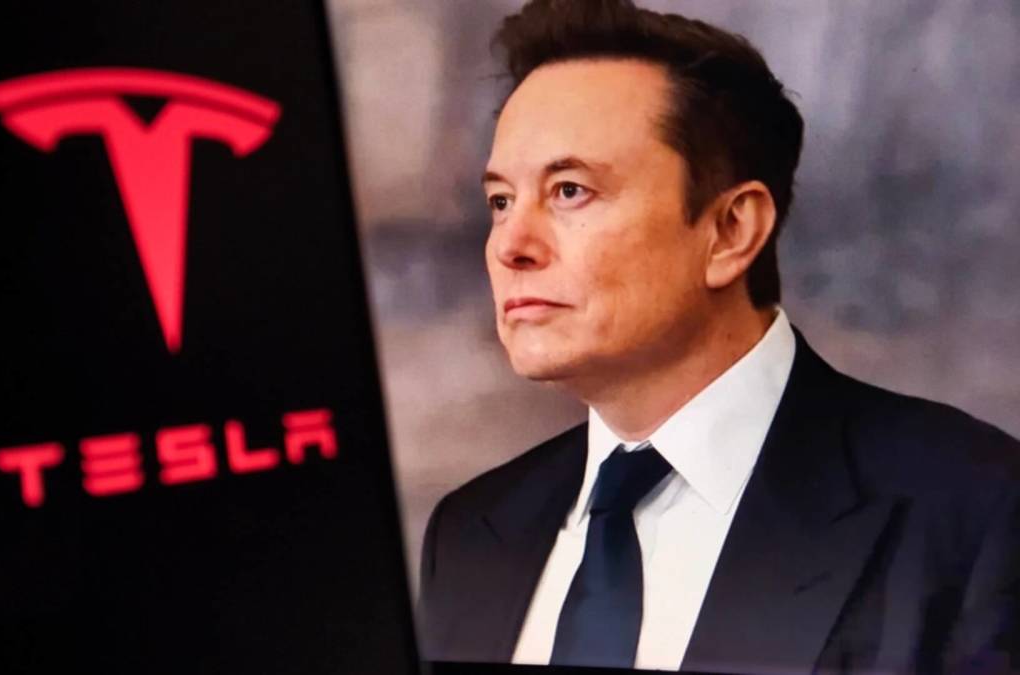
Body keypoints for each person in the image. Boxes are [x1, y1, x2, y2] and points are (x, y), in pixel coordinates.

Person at [416, 1, 1019, 672]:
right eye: (501, 201)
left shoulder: (977, 508)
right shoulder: (468, 535)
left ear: (731, 230)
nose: (510, 245)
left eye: (570, 191)